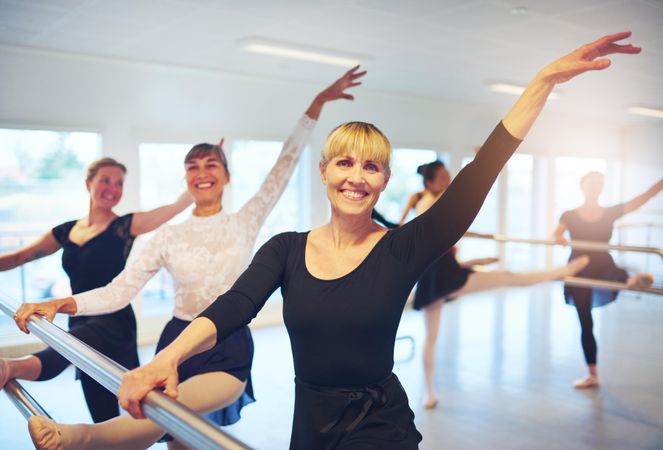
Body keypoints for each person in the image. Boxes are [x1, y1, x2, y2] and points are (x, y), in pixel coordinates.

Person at [26, 32, 639, 450]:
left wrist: (542, 82)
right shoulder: (285, 249)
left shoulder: (403, 247)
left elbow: (481, 175)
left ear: (384, 181)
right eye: (344, 163)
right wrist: (163, 360)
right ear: (325, 173)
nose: (356, 175)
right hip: (310, 418)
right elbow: (230, 309)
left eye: (371, 167)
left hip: (380, 422)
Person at [15, 66, 366, 450]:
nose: (202, 172)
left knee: (159, 408)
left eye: (211, 164)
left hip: (228, 347)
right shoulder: (168, 235)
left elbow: (284, 165)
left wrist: (315, 105)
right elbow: (118, 291)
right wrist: (59, 303)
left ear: (227, 176)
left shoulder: (245, 221)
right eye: (193, 167)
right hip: (177, 344)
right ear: (186, 178)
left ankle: (79, 437)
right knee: (179, 441)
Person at [0, 157, 192, 423]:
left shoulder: (125, 226)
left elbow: (175, 207)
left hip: (114, 322)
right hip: (80, 318)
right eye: (105, 180)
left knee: (75, 351)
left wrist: (197, 174)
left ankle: (10, 367)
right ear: (88, 183)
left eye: (119, 183)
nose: (112, 188)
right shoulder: (66, 231)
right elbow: (20, 257)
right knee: (102, 414)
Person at [401, 159, 590, 409]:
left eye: (448, 176)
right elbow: (442, 241)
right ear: (431, 181)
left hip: (434, 277)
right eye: (443, 178)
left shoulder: (426, 202)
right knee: (511, 278)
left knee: (431, 337)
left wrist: (476, 260)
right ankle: (563, 270)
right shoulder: (430, 203)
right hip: (443, 277)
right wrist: (482, 166)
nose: (448, 181)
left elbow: (439, 251)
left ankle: (429, 394)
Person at [553, 171, 662, 389]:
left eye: (599, 183)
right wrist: (558, 237)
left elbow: (643, 198)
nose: (596, 187)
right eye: (592, 183)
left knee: (615, 274)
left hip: (603, 266)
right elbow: (557, 232)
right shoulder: (569, 214)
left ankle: (631, 280)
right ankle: (592, 374)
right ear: (582, 186)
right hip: (579, 268)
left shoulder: (610, 212)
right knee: (585, 322)